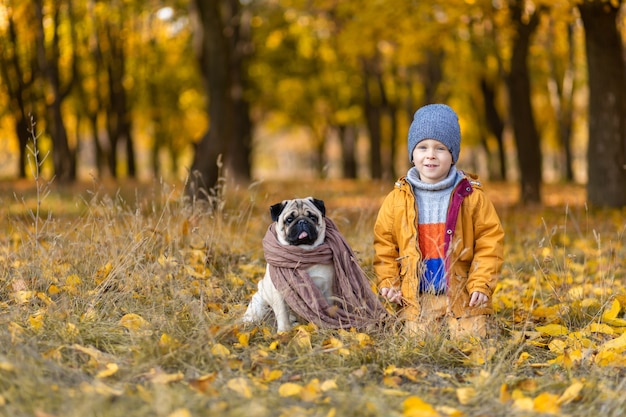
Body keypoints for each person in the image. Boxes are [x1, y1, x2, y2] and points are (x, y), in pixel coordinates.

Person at [373, 103, 504, 339]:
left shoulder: (470, 196)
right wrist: (389, 281)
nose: (430, 155)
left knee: (470, 341)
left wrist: (481, 283)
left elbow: (490, 242)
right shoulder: (396, 200)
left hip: (462, 293)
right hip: (418, 296)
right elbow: (385, 243)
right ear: (412, 154)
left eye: (440, 148)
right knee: (419, 343)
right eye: (422, 147)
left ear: (452, 155)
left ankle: (469, 321)